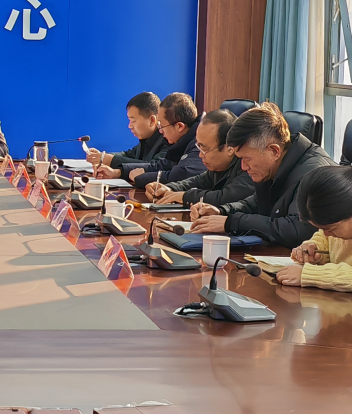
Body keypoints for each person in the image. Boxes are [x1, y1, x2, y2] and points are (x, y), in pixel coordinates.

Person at [190, 103, 336, 248]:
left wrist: (232, 223)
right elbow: (256, 203)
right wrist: (222, 211)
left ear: (274, 151)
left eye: (246, 159)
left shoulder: (313, 174)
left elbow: (298, 230)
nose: (243, 167)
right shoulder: (273, 166)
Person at [145, 109, 255, 206]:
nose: (200, 155)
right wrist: (170, 188)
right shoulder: (219, 167)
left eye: (205, 149)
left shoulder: (249, 166)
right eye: (199, 147)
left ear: (230, 149)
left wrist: (184, 196)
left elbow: (225, 197)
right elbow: (199, 181)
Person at [96, 93, 205, 188]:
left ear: (179, 126)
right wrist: (120, 172)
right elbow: (161, 165)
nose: (161, 131)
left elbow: (181, 174)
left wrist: (142, 177)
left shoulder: (200, 141)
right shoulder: (181, 141)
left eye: (162, 126)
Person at [276, 166, 352, 290]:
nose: (326, 234)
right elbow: (325, 239)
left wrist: (308, 275)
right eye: (321, 228)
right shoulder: (337, 224)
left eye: (331, 229)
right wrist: (315, 249)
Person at [85, 92, 167, 169]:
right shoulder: (146, 139)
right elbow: (129, 155)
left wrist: (111, 160)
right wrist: (103, 156)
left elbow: (153, 166)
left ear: (152, 120)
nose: (129, 126)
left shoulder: (167, 141)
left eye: (133, 121)